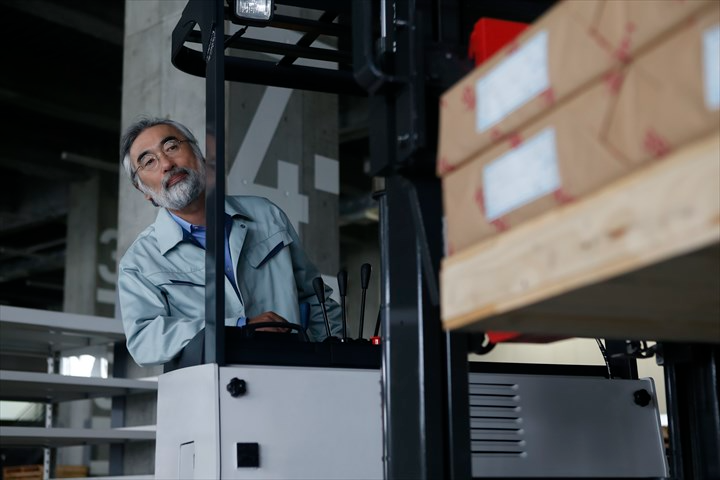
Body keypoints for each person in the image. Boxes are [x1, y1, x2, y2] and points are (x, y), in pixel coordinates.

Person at [117, 116, 342, 366]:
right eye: (149, 161)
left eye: (172, 147)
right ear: (144, 192)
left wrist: (337, 360)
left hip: (294, 373)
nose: (167, 163)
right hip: (212, 391)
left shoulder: (266, 215)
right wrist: (237, 328)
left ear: (200, 156)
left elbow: (315, 298)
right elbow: (144, 341)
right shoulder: (140, 262)